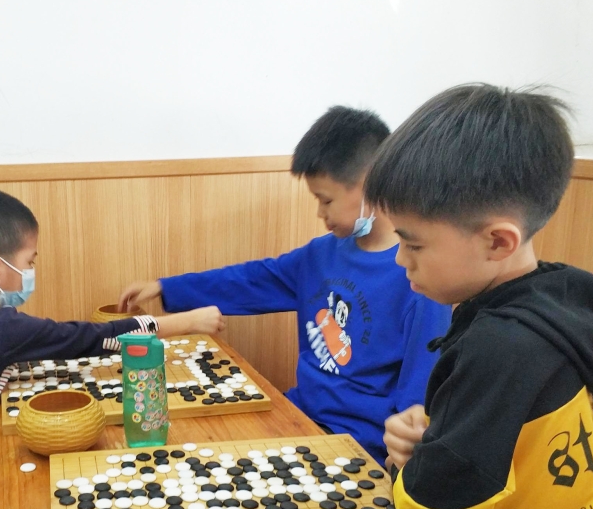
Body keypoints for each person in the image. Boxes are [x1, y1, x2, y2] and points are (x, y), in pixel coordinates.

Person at [373, 84, 593, 509]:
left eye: (412, 243)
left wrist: (411, 466)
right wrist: (437, 434)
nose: (401, 260)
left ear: (497, 241)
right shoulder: (557, 305)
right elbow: (515, 443)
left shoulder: (499, 346)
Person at [118, 107, 450, 462]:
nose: (320, 213)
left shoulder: (420, 281)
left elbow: (416, 405)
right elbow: (251, 280)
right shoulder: (320, 255)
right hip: (297, 417)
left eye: (326, 200)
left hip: (358, 445)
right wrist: (167, 287)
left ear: (372, 183)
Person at [0, 186, 224, 509]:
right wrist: (187, 322)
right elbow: (92, 338)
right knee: (96, 480)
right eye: (29, 262)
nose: (30, 272)